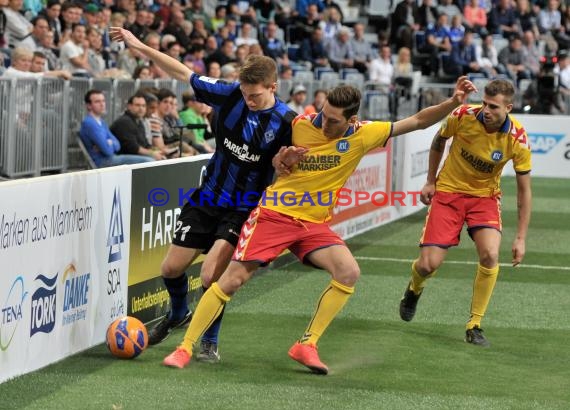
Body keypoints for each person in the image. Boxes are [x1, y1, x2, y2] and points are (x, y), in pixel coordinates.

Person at [162, 76, 476, 372]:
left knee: (349, 271)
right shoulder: (299, 124)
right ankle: (186, 347)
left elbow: (418, 120)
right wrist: (282, 160)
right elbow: (269, 161)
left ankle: (307, 344)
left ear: (352, 120)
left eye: (333, 120)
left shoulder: (364, 134)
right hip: (274, 214)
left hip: (312, 224)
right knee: (231, 280)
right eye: (323, 115)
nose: (324, 123)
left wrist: (453, 102)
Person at [110, 27, 296, 361]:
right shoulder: (230, 95)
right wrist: (139, 46)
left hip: (242, 208)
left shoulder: (288, 122)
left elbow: (302, 160)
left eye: (256, 95)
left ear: (273, 87)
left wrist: (286, 168)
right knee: (170, 268)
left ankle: (209, 339)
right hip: (208, 197)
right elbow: (183, 72)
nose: (249, 101)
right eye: (245, 94)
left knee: (211, 275)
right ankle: (178, 313)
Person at [398, 79, 532, 347]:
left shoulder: (517, 138)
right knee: (427, 265)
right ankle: (414, 289)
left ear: (509, 106)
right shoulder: (463, 115)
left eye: (493, 106)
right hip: (448, 194)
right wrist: (430, 180)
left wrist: (520, 237)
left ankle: (474, 324)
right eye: (484, 103)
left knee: (490, 254)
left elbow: (524, 192)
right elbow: (439, 141)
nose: (486, 110)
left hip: (484, 198)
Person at [79, 89, 155, 167]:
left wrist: (109, 143)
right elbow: (107, 151)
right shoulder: (90, 123)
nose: (102, 104)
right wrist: (109, 143)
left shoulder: (101, 121)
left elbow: (117, 145)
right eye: (97, 102)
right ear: (89, 105)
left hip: (111, 158)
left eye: (103, 101)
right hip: (102, 162)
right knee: (149, 161)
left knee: (151, 159)